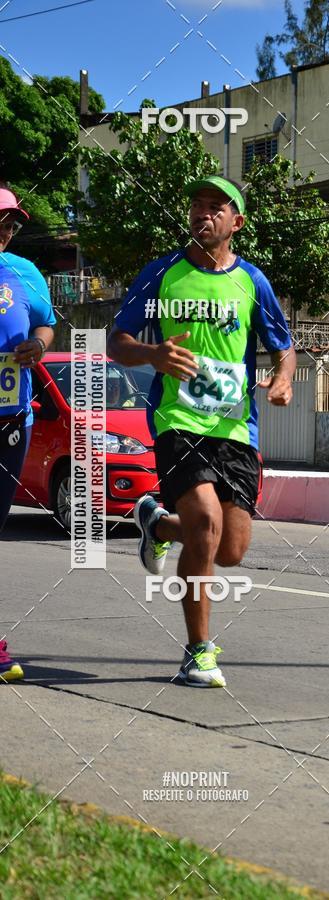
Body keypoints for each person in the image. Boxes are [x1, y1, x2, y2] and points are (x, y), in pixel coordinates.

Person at [107, 175, 296, 687]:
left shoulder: (252, 281)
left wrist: (283, 379)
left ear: (237, 222)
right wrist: (153, 354)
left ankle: (158, 525)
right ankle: (198, 652)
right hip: (178, 420)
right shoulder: (162, 273)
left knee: (229, 550)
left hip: (235, 428)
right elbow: (118, 341)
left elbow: (284, 347)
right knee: (206, 521)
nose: (203, 213)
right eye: (197, 204)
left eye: (216, 207)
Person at [0, 183, 56, 683]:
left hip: (12, 420)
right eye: (1, 222)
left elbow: (46, 325)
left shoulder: (25, 273)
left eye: (12, 224)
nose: (7, 231)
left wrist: (38, 345)